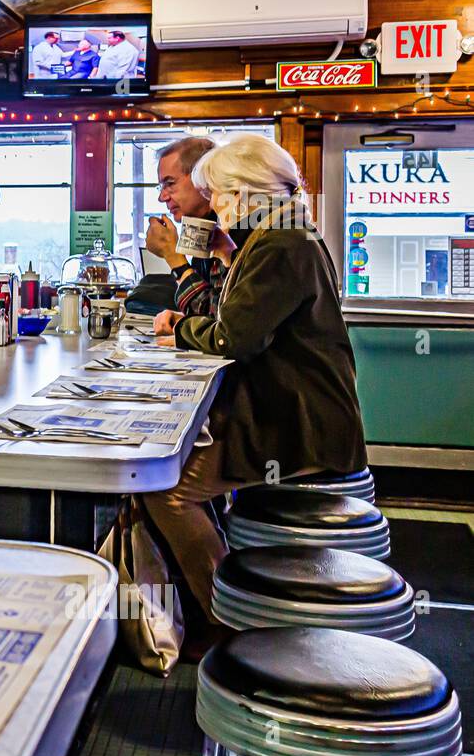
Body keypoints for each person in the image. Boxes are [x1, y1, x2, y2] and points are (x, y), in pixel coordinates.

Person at [142, 135, 368, 629]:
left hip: (299, 427)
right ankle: (237, 596)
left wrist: (178, 328)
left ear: (245, 193)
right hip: (300, 413)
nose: (216, 206)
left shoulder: (279, 245)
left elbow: (233, 338)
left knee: (167, 489)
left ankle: (226, 617)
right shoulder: (287, 233)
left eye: (220, 194)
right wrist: (227, 255)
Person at [145, 137, 238, 328]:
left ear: (202, 176)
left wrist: (175, 259)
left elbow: (224, 322)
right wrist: (180, 319)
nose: (162, 197)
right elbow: (208, 315)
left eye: (170, 183)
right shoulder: (200, 223)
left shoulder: (233, 226)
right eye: (161, 186)